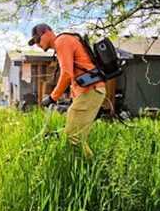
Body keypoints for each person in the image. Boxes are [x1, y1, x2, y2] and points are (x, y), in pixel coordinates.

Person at [28, 23, 106, 157]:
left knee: (73, 137)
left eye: (37, 40)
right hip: (88, 91)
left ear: (47, 32)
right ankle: (88, 169)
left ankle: (89, 171)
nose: (38, 44)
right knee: (74, 135)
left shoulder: (62, 41)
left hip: (90, 90)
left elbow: (67, 74)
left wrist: (53, 97)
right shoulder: (63, 43)